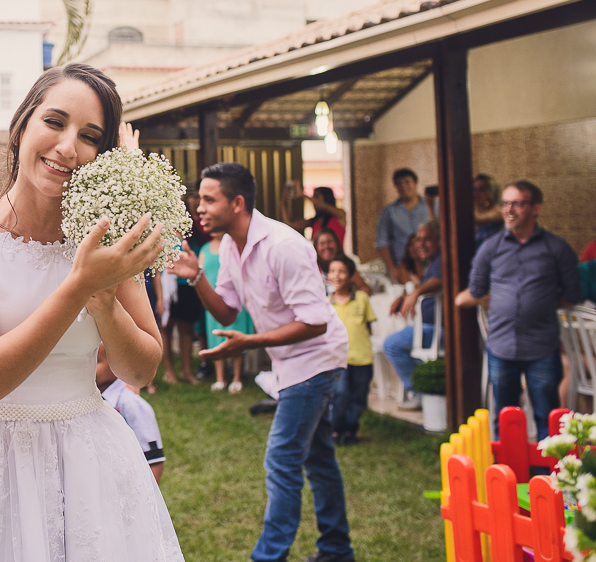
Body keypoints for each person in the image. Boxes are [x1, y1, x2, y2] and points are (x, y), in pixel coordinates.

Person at [0, 62, 183, 560]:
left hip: (89, 459)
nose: (69, 146)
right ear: (20, 127)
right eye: (55, 122)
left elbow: (141, 367)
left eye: (90, 136)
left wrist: (105, 304)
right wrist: (79, 288)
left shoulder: (108, 236)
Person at [176, 161, 353, 562]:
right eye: (198, 199)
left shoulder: (283, 246)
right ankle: (337, 551)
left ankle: (268, 557)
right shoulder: (230, 248)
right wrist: (196, 276)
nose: (198, 207)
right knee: (319, 458)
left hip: (316, 360)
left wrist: (248, 342)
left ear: (237, 203)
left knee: (282, 458)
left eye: (208, 199)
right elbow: (225, 313)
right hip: (289, 361)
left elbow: (315, 323)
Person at [457, 180, 581, 440]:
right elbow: (477, 290)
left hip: (542, 348)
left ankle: (549, 477)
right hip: (501, 346)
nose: (509, 210)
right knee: (505, 418)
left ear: (536, 208)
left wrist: (540, 302)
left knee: (547, 416)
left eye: (517, 203)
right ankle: (508, 475)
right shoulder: (490, 248)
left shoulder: (556, 248)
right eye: (505, 203)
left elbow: (572, 294)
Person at [382, 222, 443, 409]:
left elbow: (439, 281)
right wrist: (406, 296)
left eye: (428, 239)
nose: (421, 244)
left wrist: (415, 293)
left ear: (439, 241)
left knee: (391, 345)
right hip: (427, 329)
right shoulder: (432, 263)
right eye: (418, 240)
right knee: (403, 347)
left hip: (437, 330)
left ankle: (419, 393)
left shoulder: (442, 260)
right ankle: (427, 392)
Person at [96, 343, 165, 483]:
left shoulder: (132, 406)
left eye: (96, 361)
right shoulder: (89, 400)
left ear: (117, 365)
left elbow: (154, 461)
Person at [327, 256, 376, 446]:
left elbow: (368, 327)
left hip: (363, 357)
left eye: (341, 271)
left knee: (358, 397)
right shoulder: (326, 304)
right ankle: (334, 428)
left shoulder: (362, 299)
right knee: (340, 394)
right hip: (338, 359)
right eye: (332, 271)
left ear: (350, 276)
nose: (336, 275)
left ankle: (350, 430)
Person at [163, 189, 208, 384]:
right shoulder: (161, 230)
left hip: (188, 285)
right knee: (166, 327)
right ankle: (168, 371)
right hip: (168, 287)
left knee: (187, 328)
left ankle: (187, 370)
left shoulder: (193, 232)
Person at [201, 231, 255, 394]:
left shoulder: (235, 245)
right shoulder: (204, 249)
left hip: (235, 298)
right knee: (216, 337)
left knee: (236, 333)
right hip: (213, 300)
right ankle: (220, 378)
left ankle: (237, 377)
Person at [375, 168, 430, 284]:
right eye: (399, 184)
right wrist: (392, 270)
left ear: (415, 184)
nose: (403, 186)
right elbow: (382, 242)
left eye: (407, 182)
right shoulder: (389, 211)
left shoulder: (430, 206)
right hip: (402, 267)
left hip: (428, 264)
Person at [281, 185, 347, 246]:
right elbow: (289, 224)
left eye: (316, 196)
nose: (313, 200)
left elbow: (321, 205)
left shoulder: (340, 214)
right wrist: (283, 202)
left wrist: (303, 194)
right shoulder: (315, 221)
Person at [313, 229, 372, 296]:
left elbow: (365, 289)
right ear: (315, 247)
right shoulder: (312, 268)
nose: (326, 246)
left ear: (337, 244)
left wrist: (354, 301)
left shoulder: (346, 265)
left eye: (330, 242)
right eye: (322, 243)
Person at [473, 174, 503, 249]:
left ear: (491, 191)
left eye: (482, 189)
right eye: (473, 189)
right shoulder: (472, 211)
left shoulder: (499, 211)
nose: (476, 193)